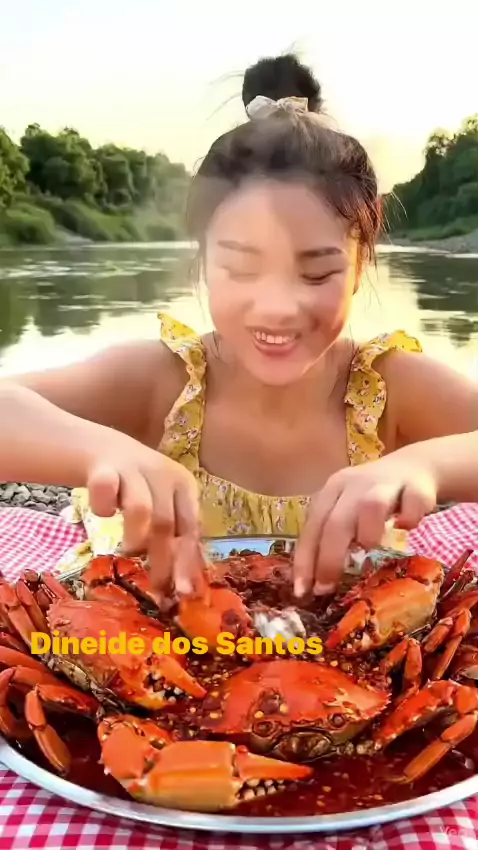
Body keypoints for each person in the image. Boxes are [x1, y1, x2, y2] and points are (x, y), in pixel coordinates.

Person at [0, 54, 477, 598]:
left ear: (360, 265)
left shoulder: (387, 390)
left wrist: (427, 465)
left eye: (317, 272)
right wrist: (98, 451)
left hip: (356, 643)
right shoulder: (162, 382)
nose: (277, 308)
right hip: (151, 640)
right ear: (203, 259)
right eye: (242, 269)